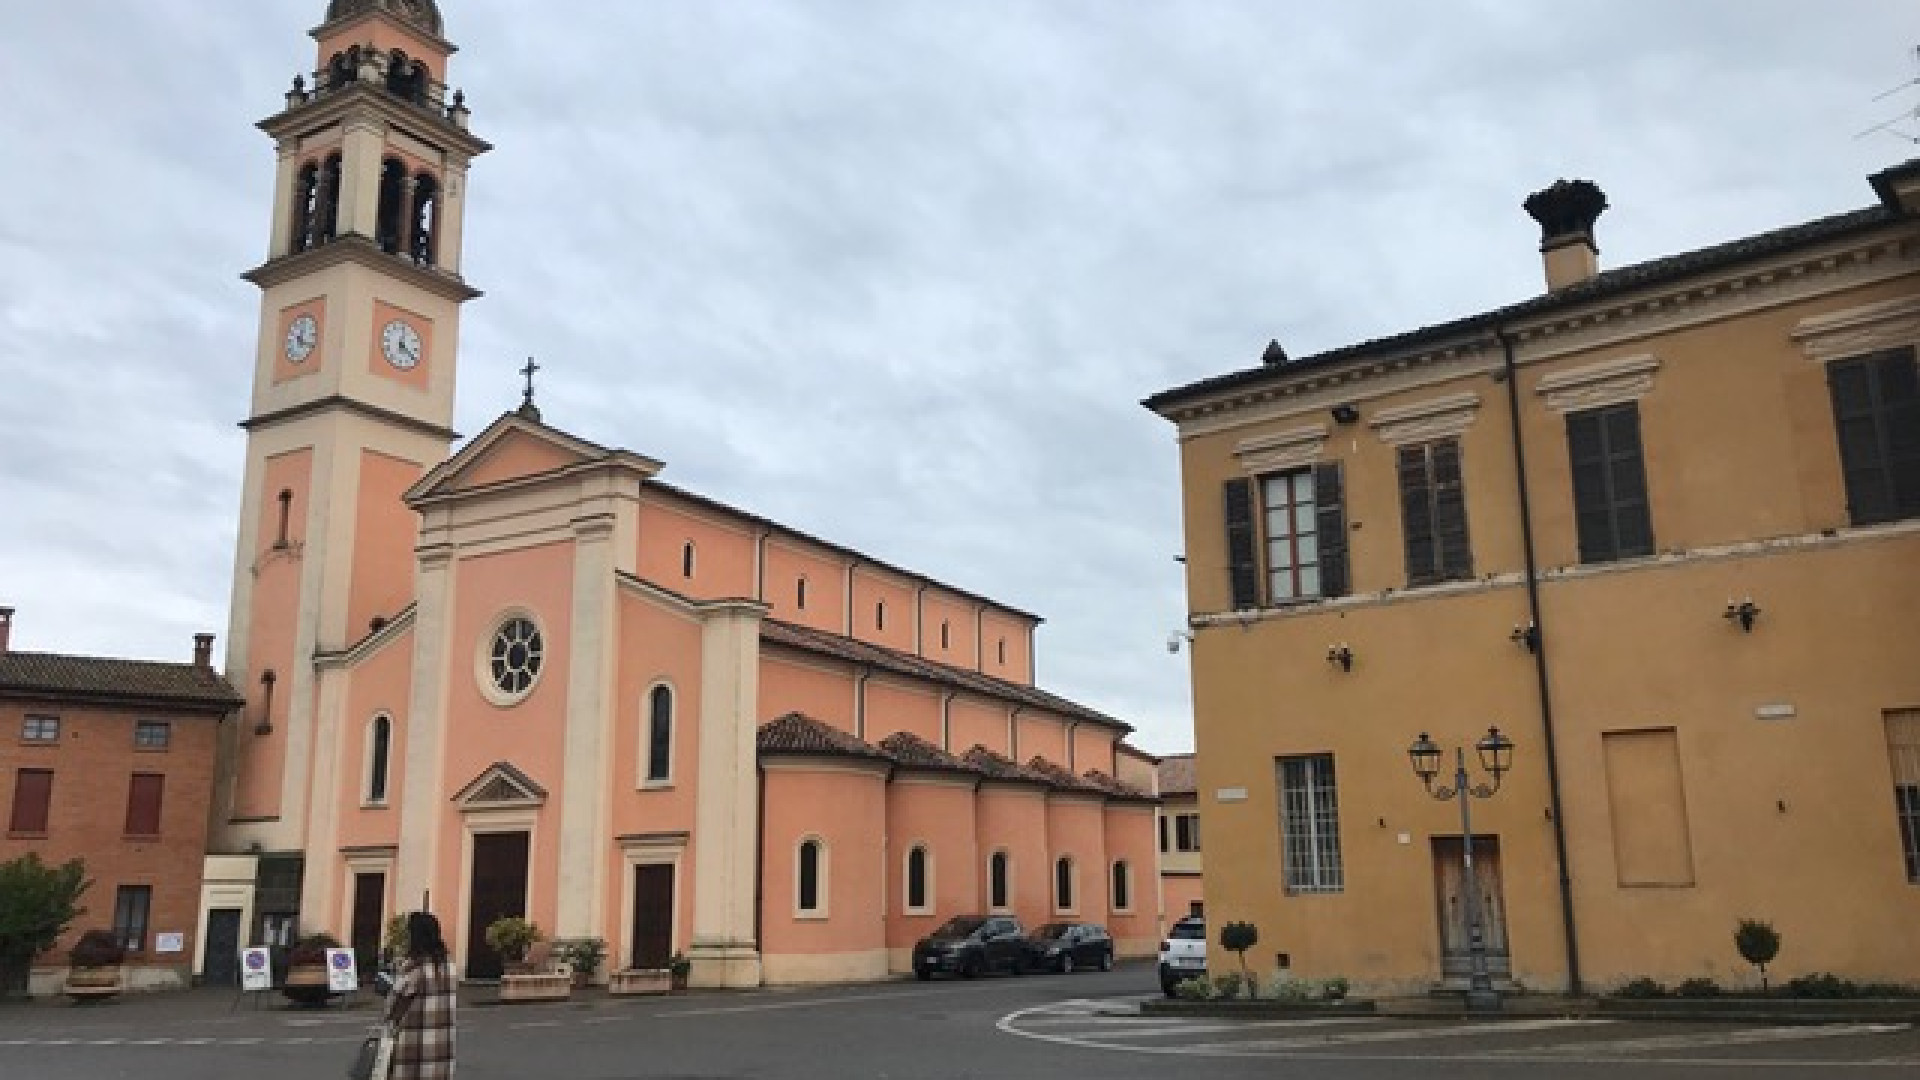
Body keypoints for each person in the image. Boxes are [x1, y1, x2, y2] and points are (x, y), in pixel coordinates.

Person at [383, 911, 456, 1079]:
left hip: (414, 1049)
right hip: (441, 1048)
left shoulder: (414, 967)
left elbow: (393, 1005)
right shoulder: (449, 967)